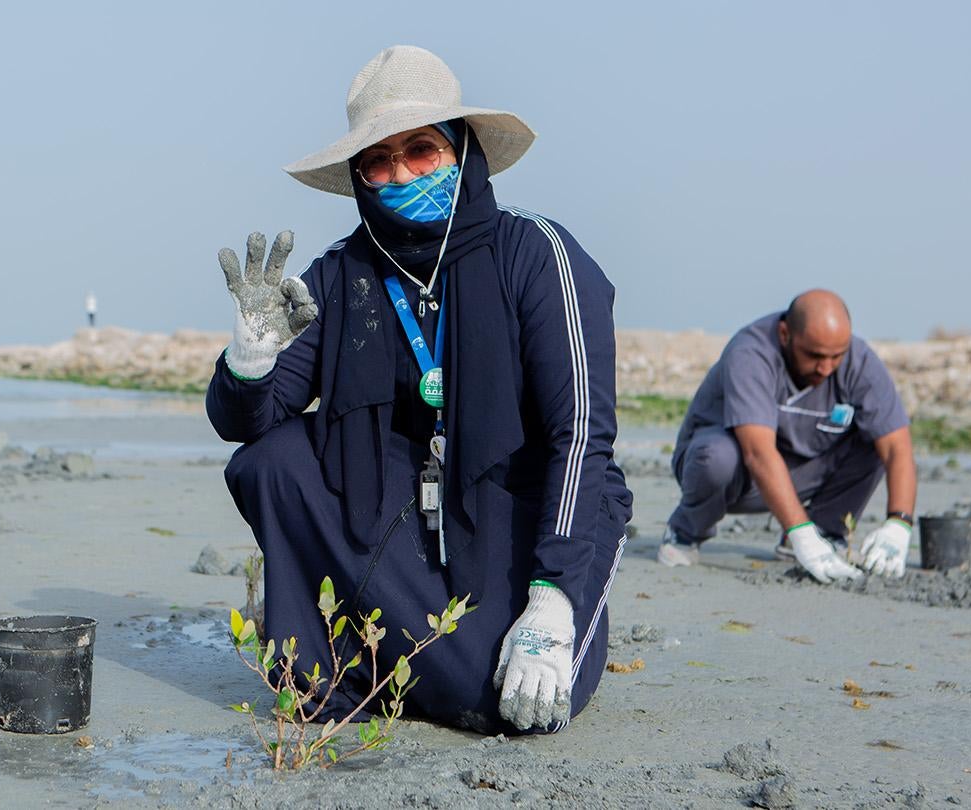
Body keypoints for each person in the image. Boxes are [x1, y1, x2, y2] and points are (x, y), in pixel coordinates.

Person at [206, 45, 632, 734]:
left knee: (499, 704)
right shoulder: (341, 276)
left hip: (520, 516)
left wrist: (552, 601)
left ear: (462, 151)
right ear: (358, 176)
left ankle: (488, 632)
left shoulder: (537, 254)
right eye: (378, 159)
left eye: (422, 150)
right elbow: (249, 421)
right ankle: (331, 664)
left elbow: (581, 438)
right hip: (404, 511)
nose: (399, 173)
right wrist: (247, 364)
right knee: (272, 460)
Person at [657, 290, 917, 582]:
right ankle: (685, 531)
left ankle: (824, 532)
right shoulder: (751, 353)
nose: (826, 368)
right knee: (717, 457)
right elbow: (757, 453)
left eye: (836, 356)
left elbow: (897, 447)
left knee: (876, 439)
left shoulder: (859, 361)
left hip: (800, 472)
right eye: (815, 355)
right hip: (733, 472)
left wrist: (900, 523)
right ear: (785, 334)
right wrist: (800, 534)